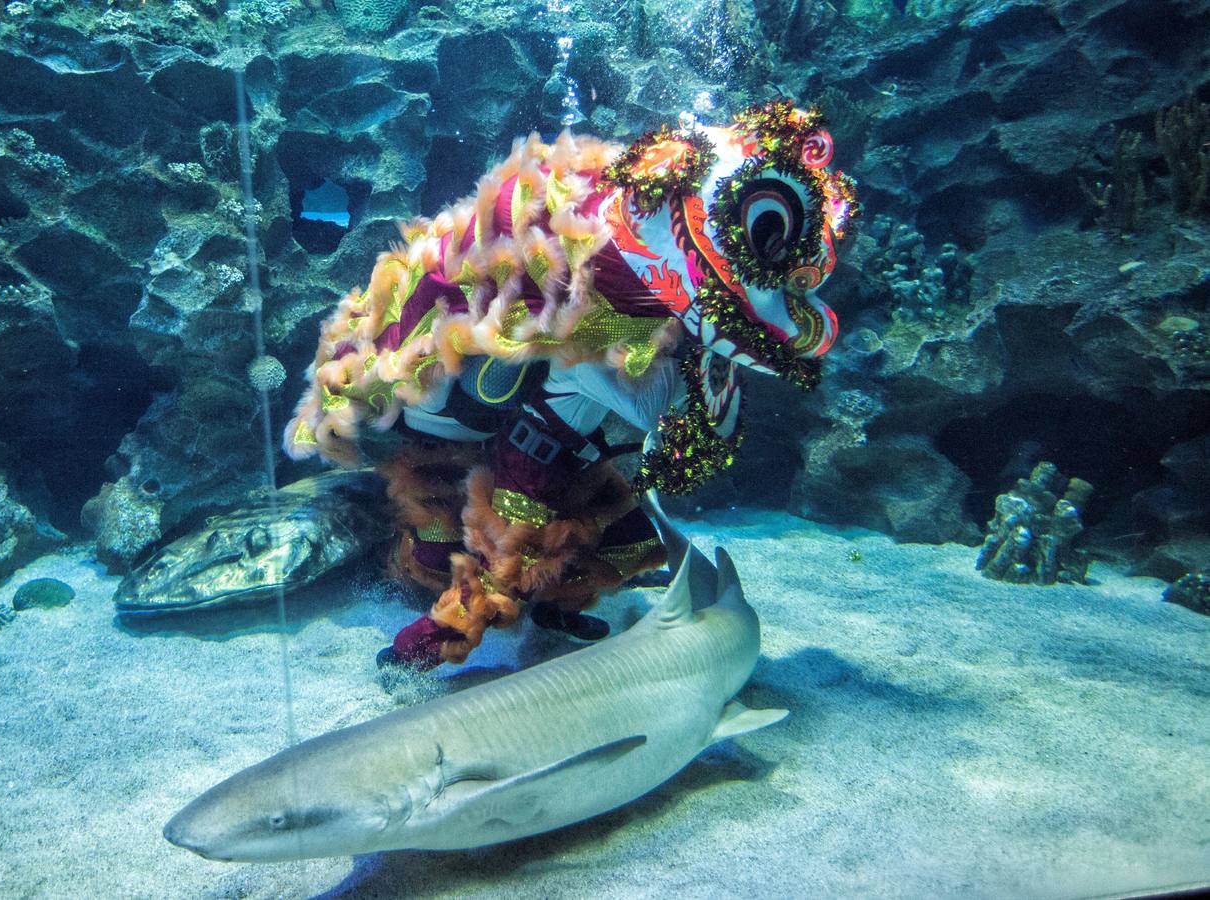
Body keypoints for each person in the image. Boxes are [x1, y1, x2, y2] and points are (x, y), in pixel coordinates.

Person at [284, 100, 859, 669]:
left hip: (542, 433)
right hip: (450, 439)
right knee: (448, 536)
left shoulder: (633, 323)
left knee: (614, 531)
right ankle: (450, 621)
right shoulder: (567, 286)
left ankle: (551, 607)